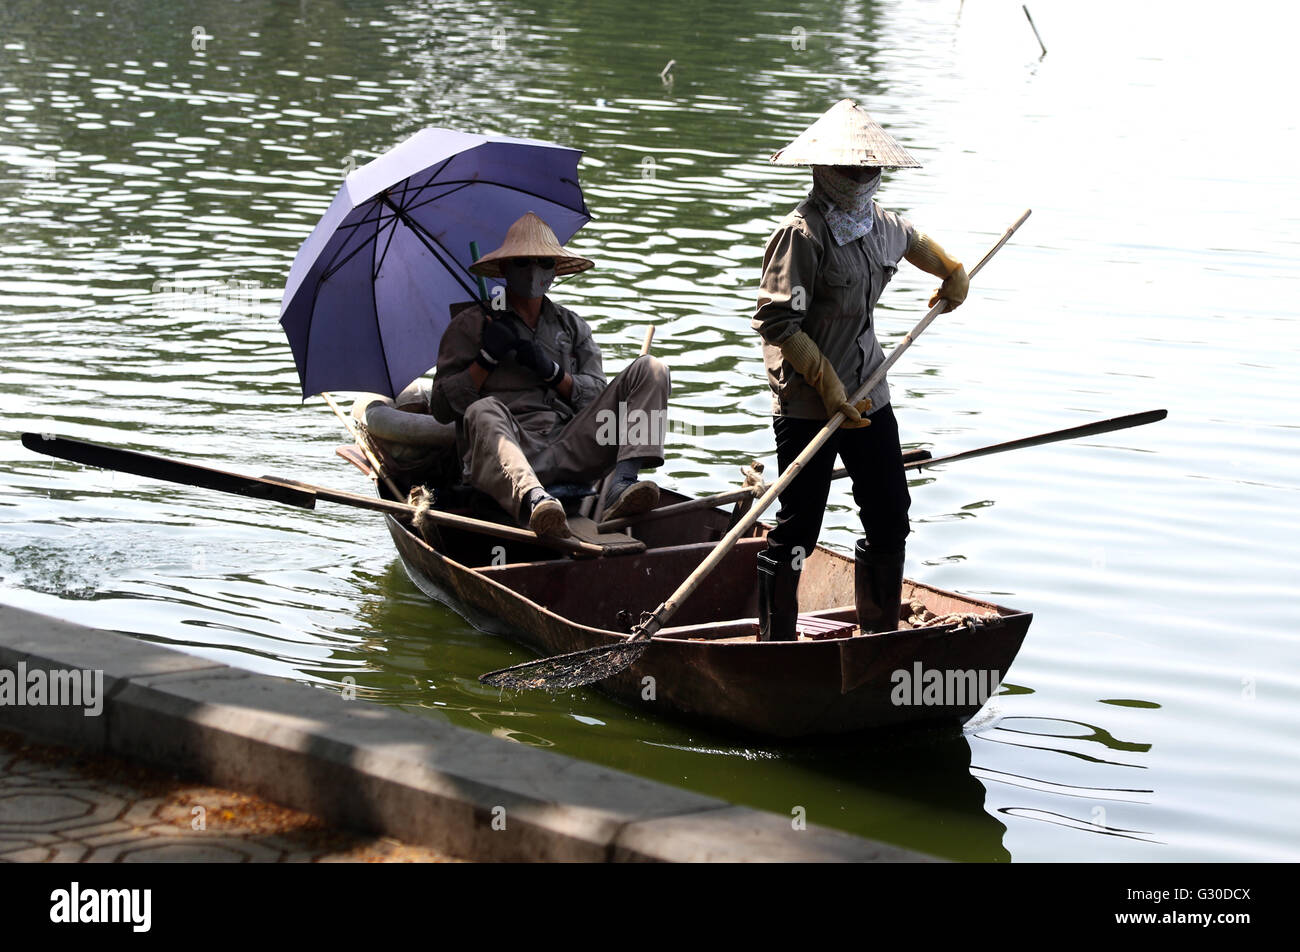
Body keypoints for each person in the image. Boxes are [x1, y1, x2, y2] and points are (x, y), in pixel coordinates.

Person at [752, 99, 970, 640]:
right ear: (824, 170)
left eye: (869, 168)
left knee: (890, 511)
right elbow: (778, 321)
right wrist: (824, 381)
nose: (862, 177)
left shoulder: (878, 224)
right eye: (851, 168)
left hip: (868, 389)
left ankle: (878, 632)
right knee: (799, 526)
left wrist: (950, 269)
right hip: (808, 399)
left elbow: (911, 240)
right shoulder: (802, 234)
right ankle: (776, 641)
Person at [430, 212, 670, 538]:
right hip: (508, 454)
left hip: (569, 445)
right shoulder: (471, 325)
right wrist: (485, 359)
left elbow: (595, 394)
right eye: (522, 263)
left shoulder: (571, 326)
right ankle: (537, 502)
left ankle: (623, 483)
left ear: (555, 270)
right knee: (483, 409)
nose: (533, 271)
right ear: (503, 270)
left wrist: (554, 374)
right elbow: (442, 408)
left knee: (651, 368)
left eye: (543, 262)